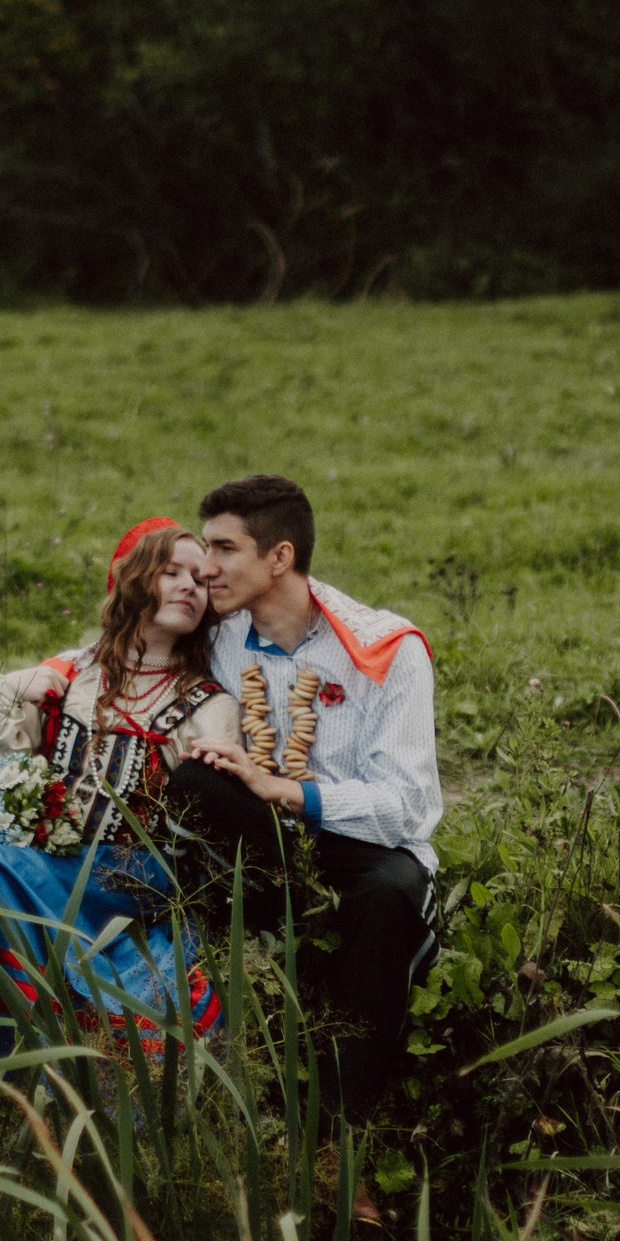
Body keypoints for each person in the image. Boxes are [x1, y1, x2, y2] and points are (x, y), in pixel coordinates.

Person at [0, 518, 241, 1068]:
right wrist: (12, 697)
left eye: (199, 580)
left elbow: (207, 816)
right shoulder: (72, 675)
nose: (189, 586)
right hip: (46, 856)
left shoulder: (207, 704)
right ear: (130, 581)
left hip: (127, 874)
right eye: (170, 572)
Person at [168, 473, 442, 1119]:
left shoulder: (387, 649)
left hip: (356, 842)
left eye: (225, 548)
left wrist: (287, 791)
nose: (206, 568)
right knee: (192, 783)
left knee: (390, 889)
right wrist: (56, 670)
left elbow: (408, 806)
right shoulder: (219, 633)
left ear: (280, 556)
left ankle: (345, 1124)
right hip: (264, 848)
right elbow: (130, 636)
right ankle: (279, 930)